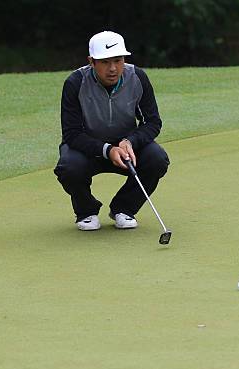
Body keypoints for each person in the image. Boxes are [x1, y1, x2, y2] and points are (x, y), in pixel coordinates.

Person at [54, 31, 170, 231]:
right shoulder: (75, 83)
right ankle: (86, 211)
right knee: (69, 167)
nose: (113, 68)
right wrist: (107, 150)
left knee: (157, 159)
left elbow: (152, 122)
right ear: (92, 61)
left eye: (118, 60)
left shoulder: (137, 78)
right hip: (88, 149)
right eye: (105, 62)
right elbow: (71, 133)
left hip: (126, 148)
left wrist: (130, 141)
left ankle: (124, 209)